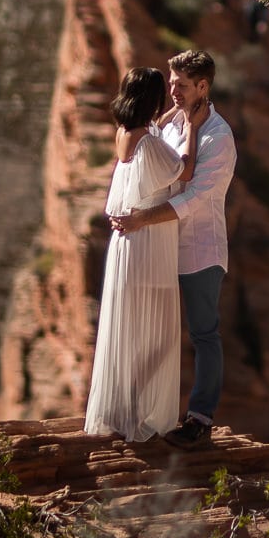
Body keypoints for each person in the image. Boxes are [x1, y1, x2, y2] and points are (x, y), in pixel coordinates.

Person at [112, 49, 236, 448]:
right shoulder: (167, 128)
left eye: (181, 84)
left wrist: (141, 220)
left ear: (203, 86)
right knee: (155, 332)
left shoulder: (219, 136)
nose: (173, 90)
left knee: (203, 334)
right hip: (158, 248)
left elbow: (196, 196)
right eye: (170, 82)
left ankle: (199, 418)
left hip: (198, 250)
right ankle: (141, 412)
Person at [84, 67, 206, 440]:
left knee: (129, 325)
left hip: (127, 246)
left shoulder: (126, 133)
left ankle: (122, 411)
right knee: (153, 331)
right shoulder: (150, 143)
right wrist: (194, 128)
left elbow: (150, 134)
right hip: (150, 243)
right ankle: (143, 415)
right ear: (151, 99)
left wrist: (171, 115)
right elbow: (184, 172)